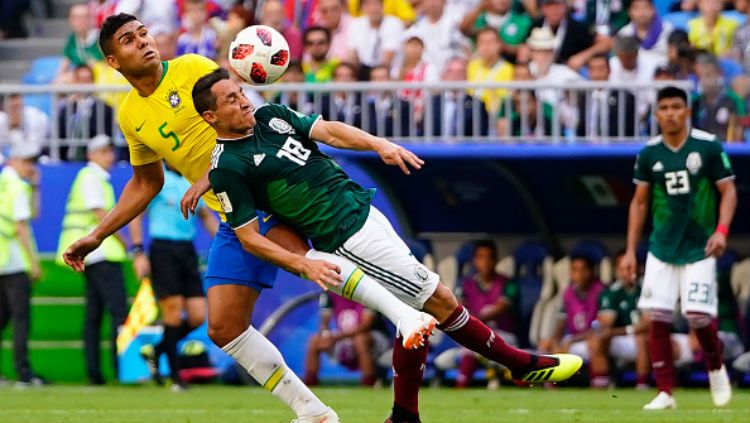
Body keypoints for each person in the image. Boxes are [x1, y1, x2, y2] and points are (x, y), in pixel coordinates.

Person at [62, 14, 436, 423]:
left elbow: (252, 124)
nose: (144, 42)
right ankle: (313, 411)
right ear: (114, 62)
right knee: (223, 327)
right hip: (232, 213)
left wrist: (209, 176)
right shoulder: (130, 114)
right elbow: (145, 183)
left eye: (144, 33)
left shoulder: (192, 69)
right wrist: (98, 235)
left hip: (269, 192)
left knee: (309, 264)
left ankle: (405, 317)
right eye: (129, 40)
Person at [193, 67, 582, 423]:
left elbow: (327, 130)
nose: (244, 100)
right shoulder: (228, 167)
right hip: (346, 236)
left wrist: (379, 144)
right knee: (439, 299)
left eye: (241, 92)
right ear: (210, 117)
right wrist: (304, 264)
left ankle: (404, 416)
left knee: (416, 311)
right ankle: (518, 363)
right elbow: (248, 236)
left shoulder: (268, 116)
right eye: (231, 99)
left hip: (364, 211)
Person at [622, 86, 737, 409]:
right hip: (661, 247)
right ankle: (665, 393)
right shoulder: (649, 153)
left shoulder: (708, 146)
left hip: (699, 246)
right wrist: (631, 250)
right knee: (657, 318)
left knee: (698, 316)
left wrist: (722, 231)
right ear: (657, 114)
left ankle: (716, 369)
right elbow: (639, 203)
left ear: (687, 111)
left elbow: (728, 191)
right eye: (664, 108)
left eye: (676, 107)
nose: (670, 113)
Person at [56, 135, 129, 385]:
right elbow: (102, 215)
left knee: (95, 313)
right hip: (100, 254)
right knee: (117, 311)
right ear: (92, 155)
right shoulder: (92, 177)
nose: (110, 156)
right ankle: (123, 369)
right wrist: (126, 242)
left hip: (94, 256)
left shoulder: (93, 178)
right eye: (104, 152)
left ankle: (95, 373)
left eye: (110, 151)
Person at [139, 162, 219, 390]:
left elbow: (206, 217)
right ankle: (175, 377)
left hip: (187, 251)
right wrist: (137, 251)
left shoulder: (192, 180)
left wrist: (230, 243)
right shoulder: (158, 181)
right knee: (172, 313)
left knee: (196, 315)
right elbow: (137, 215)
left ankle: (157, 350)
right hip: (163, 250)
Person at [434, 240, 520, 388]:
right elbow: (458, 309)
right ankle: (488, 377)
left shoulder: (508, 284)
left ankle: (467, 383)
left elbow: (499, 309)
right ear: (475, 261)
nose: (485, 262)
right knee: (444, 359)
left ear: (495, 260)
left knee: (473, 346)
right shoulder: (466, 285)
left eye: (489, 257)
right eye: (480, 257)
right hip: (474, 340)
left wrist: (471, 320)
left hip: (503, 337)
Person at [0, 142, 45, 387]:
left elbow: (31, 215)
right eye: (27, 161)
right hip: (14, 261)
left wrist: (35, 185)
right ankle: (24, 374)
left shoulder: (3, 181)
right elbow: (22, 225)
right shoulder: (17, 186)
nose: (31, 166)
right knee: (21, 319)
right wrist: (33, 262)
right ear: (14, 161)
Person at [588, 251, 650, 389]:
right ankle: (601, 384)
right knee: (597, 338)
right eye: (621, 269)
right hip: (623, 337)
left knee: (641, 338)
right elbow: (605, 323)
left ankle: (642, 384)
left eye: (629, 268)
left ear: (639, 268)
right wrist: (606, 330)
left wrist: (619, 331)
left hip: (648, 337)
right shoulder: (612, 292)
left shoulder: (648, 288)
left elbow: (648, 324)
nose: (625, 273)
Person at [303, 292, 390, 387]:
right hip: (342, 336)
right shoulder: (329, 293)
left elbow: (366, 325)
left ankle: (369, 383)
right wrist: (326, 335)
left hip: (375, 339)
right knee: (315, 340)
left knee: (360, 339)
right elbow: (324, 322)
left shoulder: (367, 291)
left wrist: (337, 337)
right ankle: (310, 384)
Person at [539, 255, 605, 357]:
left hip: (590, 338)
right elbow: (560, 323)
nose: (579, 274)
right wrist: (556, 341)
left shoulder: (601, 291)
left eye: (583, 269)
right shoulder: (569, 292)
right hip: (573, 338)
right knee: (545, 344)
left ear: (591, 271)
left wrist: (572, 340)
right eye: (574, 270)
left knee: (590, 344)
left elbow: (600, 328)